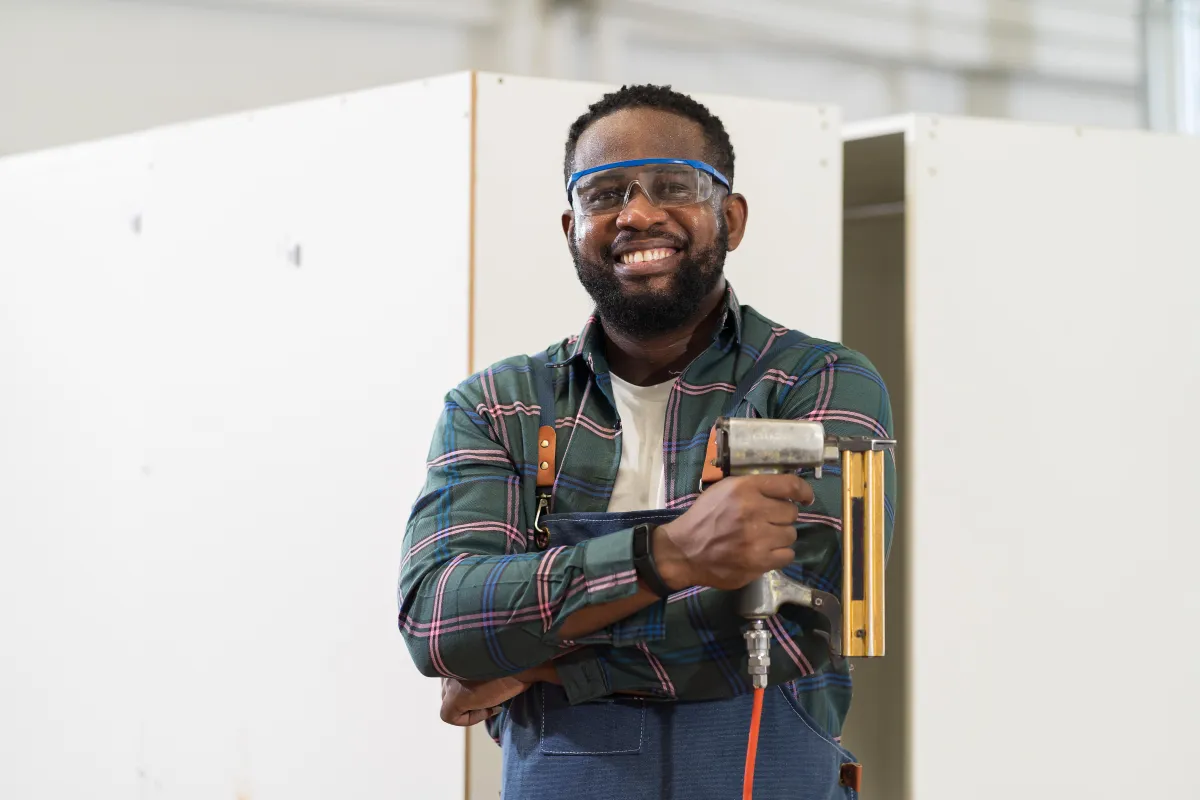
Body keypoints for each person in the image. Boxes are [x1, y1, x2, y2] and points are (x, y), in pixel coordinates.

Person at [398, 84, 896, 799]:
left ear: (731, 216)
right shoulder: (501, 405)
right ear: (571, 225)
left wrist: (539, 662)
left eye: (673, 185)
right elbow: (441, 621)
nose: (636, 213)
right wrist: (670, 554)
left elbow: (800, 627)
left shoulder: (818, 381)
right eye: (604, 195)